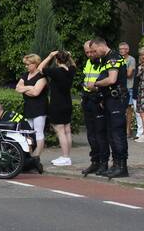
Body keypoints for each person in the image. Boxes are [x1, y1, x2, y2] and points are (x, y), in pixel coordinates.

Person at [89, 37, 129, 178]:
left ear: (101, 46)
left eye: (94, 50)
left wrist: (95, 84)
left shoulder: (113, 58)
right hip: (110, 99)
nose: (94, 53)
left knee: (117, 133)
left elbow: (112, 79)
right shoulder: (106, 59)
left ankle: (122, 166)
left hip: (117, 99)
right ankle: (116, 164)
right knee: (111, 133)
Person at [37, 49, 76, 166]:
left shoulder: (55, 71)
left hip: (57, 104)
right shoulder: (71, 71)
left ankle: (65, 157)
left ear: (57, 60)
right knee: (67, 130)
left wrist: (49, 56)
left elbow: (39, 68)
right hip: (68, 103)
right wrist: (69, 57)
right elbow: (74, 64)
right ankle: (67, 156)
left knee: (60, 131)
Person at [79, 41, 109, 177]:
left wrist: (101, 97)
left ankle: (103, 163)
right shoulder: (88, 62)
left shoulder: (104, 62)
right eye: (87, 52)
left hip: (98, 98)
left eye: (92, 52)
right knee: (91, 133)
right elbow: (87, 79)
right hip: (88, 98)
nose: (90, 55)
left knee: (100, 134)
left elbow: (107, 81)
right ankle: (94, 161)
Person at [15, 54, 48, 163]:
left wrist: (25, 89)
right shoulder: (25, 75)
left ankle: (37, 156)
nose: (26, 67)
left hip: (39, 108)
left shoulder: (41, 77)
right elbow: (17, 88)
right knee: (27, 132)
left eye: (28, 64)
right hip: (28, 107)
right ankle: (29, 155)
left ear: (35, 64)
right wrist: (29, 87)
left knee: (38, 132)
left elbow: (36, 92)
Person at [119, 42, 143, 140]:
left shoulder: (131, 59)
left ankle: (128, 130)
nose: (121, 51)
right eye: (120, 49)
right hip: (120, 87)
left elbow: (129, 74)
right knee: (121, 110)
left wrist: (117, 73)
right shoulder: (118, 59)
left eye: (123, 49)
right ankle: (121, 130)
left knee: (128, 109)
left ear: (127, 50)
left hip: (129, 87)